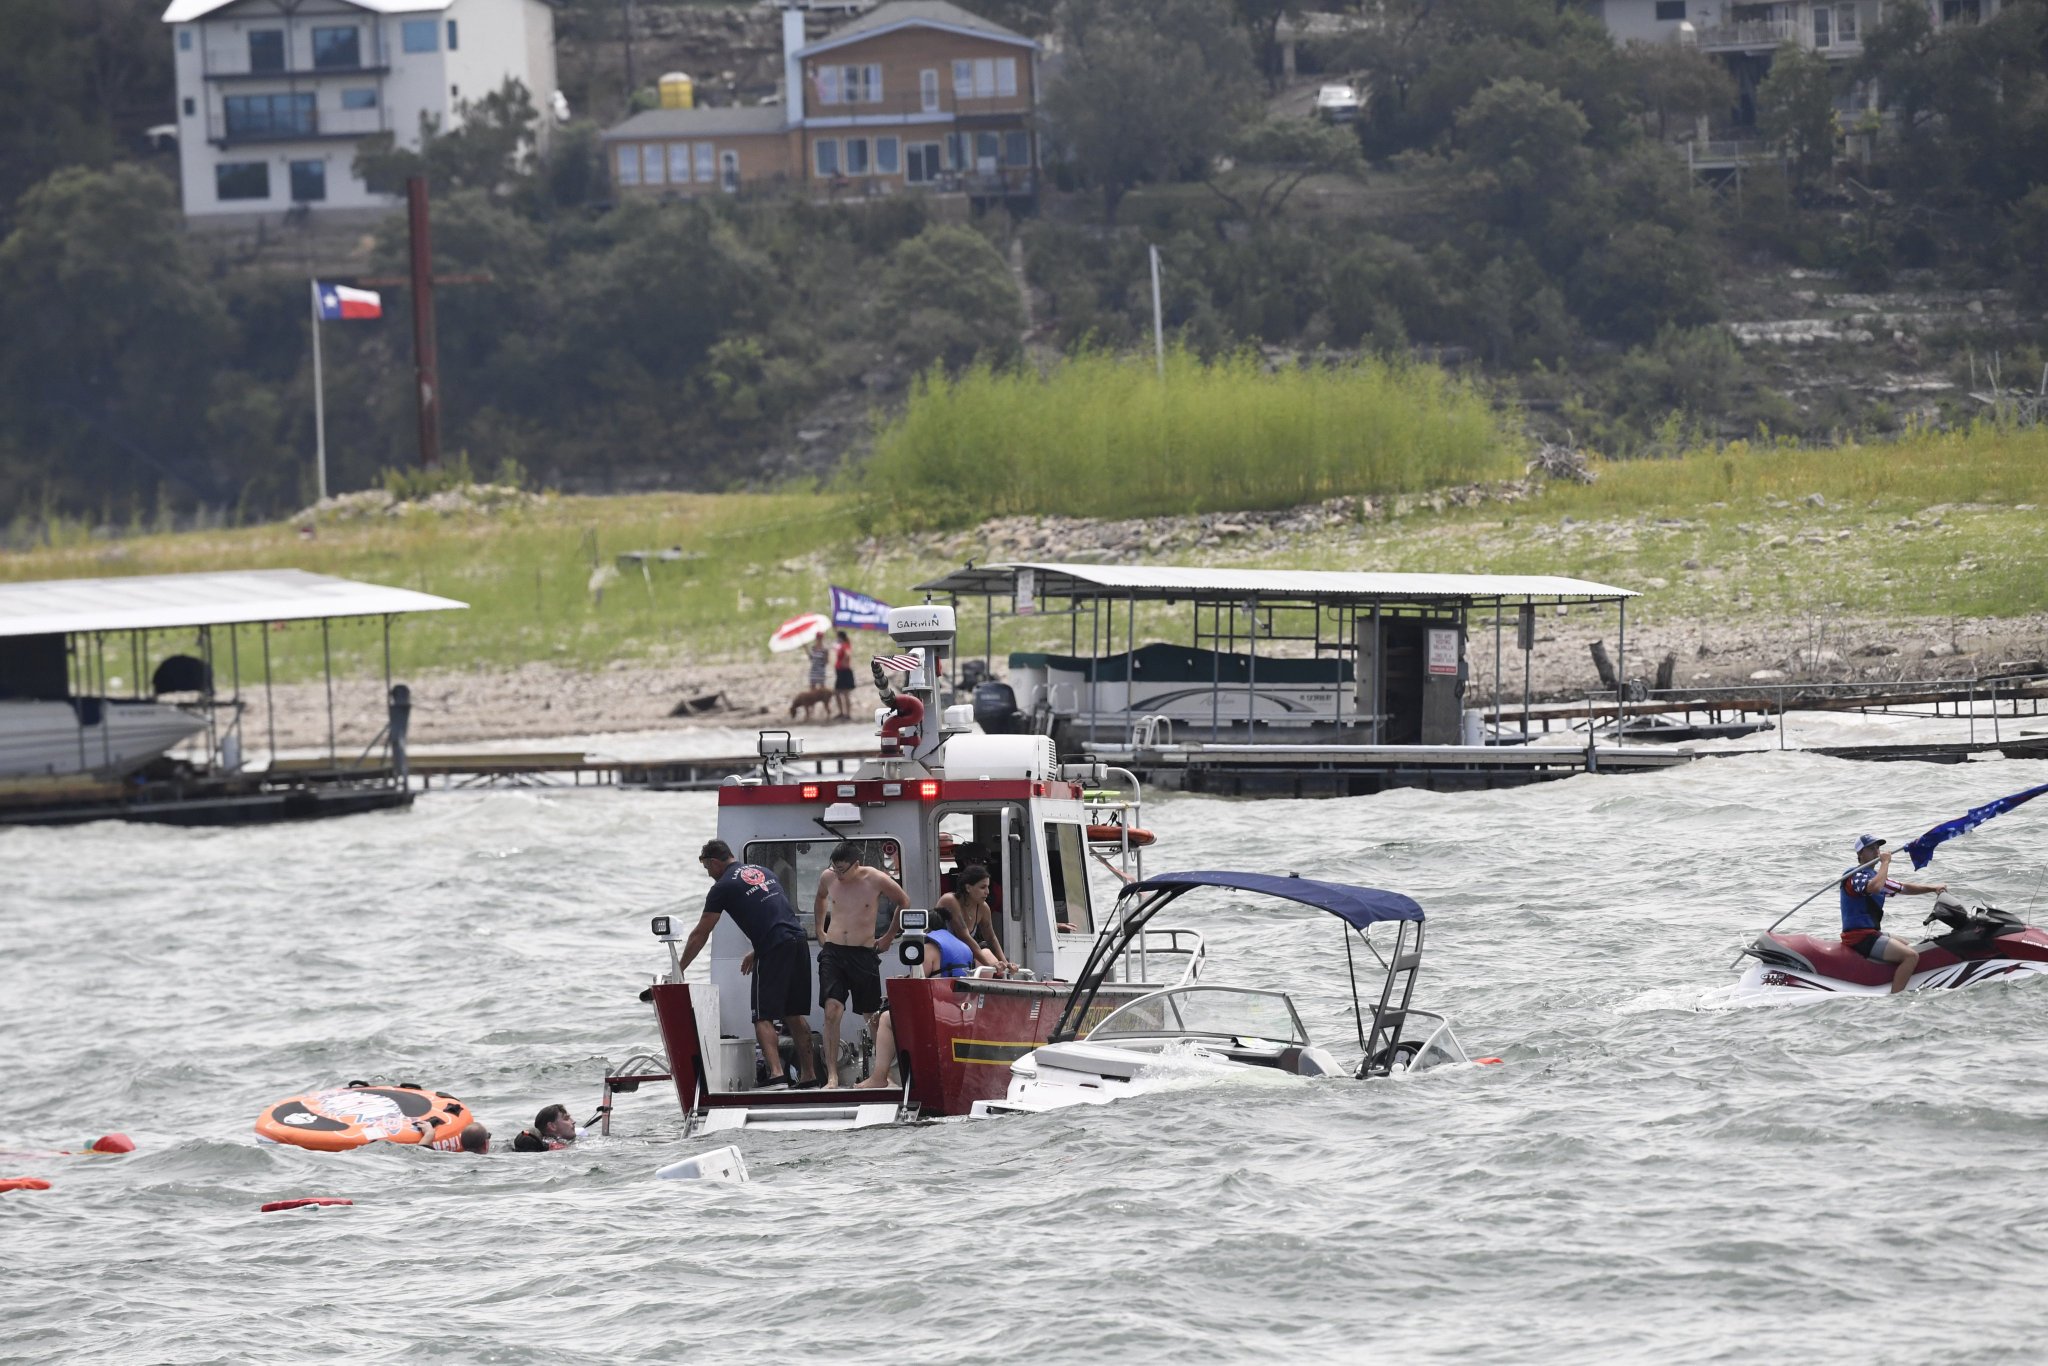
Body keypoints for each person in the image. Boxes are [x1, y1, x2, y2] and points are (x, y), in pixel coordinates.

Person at [678, 839, 819, 1088]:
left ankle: (776, 1074)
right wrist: (756, 951)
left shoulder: (722, 887)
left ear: (714, 862)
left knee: (762, 1015)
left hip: (774, 948)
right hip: (797, 941)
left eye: (707, 868)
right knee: (793, 1014)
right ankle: (809, 1076)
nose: (708, 874)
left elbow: (701, 933)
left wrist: (678, 969)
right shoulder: (762, 871)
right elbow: (774, 913)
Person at [855, 903, 1001, 1090]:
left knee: (885, 1019)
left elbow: (917, 984)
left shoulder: (929, 949)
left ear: (927, 929)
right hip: (963, 1014)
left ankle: (879, 1077)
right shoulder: (965, 947)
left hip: (938, 1015)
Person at [813, 842, 910, 1087]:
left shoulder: (876, 879)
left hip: (863, 952)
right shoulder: (828, 877)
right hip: (834, 951)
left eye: (843, 869)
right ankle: (833, 1075)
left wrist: (889, 936)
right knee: (832, 1010)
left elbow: (903, 902)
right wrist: (818, 931)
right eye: (834, 869)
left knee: (872, 1016)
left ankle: (882, 1074)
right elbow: (821, 898)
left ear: (857, 865)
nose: (838, 874)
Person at [1841, 833, 1946, 993]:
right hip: (1860, 937)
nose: (1876, 852)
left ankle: (1888, 979)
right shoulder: (1854, 875)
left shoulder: (1876, 877)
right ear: (1860, 854)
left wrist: (1933, 888)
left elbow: (1904, 888)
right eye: (1871, 849)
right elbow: (1874, 887)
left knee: (1908, 945)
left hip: (1872, 933)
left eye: (1878, 848)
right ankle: (1896, 997)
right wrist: (1885, 863)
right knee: (1911, 956)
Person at [937, 864, 1012, 972]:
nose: (988, 892)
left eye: (988, 887)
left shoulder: (983, 908)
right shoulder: (950, 900)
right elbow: (964, 936)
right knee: (986, 958)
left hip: (960, 955)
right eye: (982, 887)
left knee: (987, 954)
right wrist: (990, 965)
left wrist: (1005, 964)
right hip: (939, 954)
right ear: (968, 888)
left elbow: (991, 938)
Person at [832, 630, 856, 720]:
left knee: (845, 693)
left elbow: (847, 654)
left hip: (844, 672)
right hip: (840, 671)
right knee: (838, 692)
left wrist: (843, 662)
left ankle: (847, 714)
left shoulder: (845, 645)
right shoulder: (843, 645)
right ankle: (842, 712)